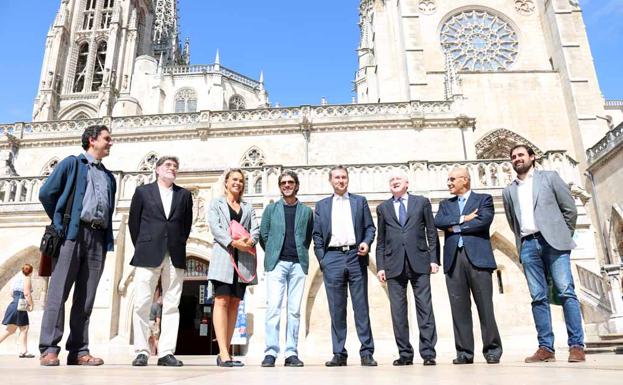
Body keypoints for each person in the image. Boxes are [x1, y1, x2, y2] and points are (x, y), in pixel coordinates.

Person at [38, 125, 116, 366]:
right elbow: (46, 193)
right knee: (58, 293)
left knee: (86, 297)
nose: (110, 143)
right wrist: (61, 222)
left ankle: (79, 350)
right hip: (72, 235)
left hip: (97, 238)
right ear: (92, 140)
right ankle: (49, 348)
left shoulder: (109, 176)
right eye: (107, 139)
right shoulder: (72, 164)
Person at [502, 144, 585, 363]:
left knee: (566, 291)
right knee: (538, 297)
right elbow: (512, 221)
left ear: (532, 157)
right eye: (513, 157)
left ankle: (576, 346)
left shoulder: (549, 177)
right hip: (528, 244)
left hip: (555, 243)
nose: (517, 159)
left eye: (521, 155)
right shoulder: (509, 190)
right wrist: (522, 244)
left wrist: (563, 235)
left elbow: (570, 209)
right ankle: (545, 347)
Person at [129, 156, 193, 367]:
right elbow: (133, 223)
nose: (172, 169)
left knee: (172, 304)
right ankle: (141, 351)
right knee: (141, 302)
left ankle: (166, 352)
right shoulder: (143, 192)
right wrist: (144, 244)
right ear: (156, 169)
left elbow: (186, 225)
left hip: (175, 253)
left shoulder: (184, 195)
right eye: (168, 165)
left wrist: (177, 243)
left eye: (175, 166)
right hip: (148, 252)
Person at [434, 167, 502, 364]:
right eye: (448, 179)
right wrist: (464, 219)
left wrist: (454, 227)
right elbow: (439, 221)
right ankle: (464, 352)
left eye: (452, 179)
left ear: (465, 180)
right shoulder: (446, 204)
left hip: (479, 259)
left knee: (485, 307)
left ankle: (492, 350)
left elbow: (483, 222)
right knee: (459, 309)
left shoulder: (484, 199)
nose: (449, 183)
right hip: (454, 259)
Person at [312, 165, 377, 367]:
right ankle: (339, 353)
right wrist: (323, 259)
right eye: (337, 178)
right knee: (336, 309)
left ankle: (366, 352)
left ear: (348, 179)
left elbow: (369, 227)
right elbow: (317, 235)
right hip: (332, 258)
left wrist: (366, 242)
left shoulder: (360, 201)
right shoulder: (322, 205)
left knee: (361, 307)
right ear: (330, 181)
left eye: (344, 177)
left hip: (356, 255)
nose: (341, 181)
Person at [375, 172, 439, 366]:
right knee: (398, 312)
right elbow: (381, 240)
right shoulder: (383, 208)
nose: (395, 182)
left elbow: (431, 231)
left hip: (420, 261)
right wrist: (380, 266)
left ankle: (428, 353)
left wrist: (434, 259)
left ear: (407, 184)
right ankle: (405, 354)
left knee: (425, 309)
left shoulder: (421, 202)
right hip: (394, 264)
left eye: (398, 180)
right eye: (391, 180)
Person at [259, 170, 314, 368]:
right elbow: (263, 235)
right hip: (276, 264)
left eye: (291, 182)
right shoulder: (271, 210)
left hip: (298, 264)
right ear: (280, 186)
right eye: (283, 183)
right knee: (273, 308)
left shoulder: (307, 212)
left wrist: (298, 252)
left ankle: (291, 352)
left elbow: (307, 237)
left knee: (294, 310)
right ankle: (271, 352)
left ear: (297, 185)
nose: (287, 185)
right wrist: (273, 251)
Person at [207, 168, 259, 367]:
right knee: (221, 301)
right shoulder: (216, 204)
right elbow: (215, 227)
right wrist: (232, 242)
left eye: (241, 180)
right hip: (223, 256)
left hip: (243, 260)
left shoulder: (248, 206)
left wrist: (250, 242)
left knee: (235, 303)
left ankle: (226, 351)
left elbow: (256, 228)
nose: (238, 183)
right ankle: (223, 352)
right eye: (234, 179)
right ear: (226, 183)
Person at [0, 264, 35, 358]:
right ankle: (24, 351)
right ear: (30, 272)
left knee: (10, 330)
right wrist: (31, 305)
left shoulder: (15, 279)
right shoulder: (27, 279)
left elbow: (11, 293)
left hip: (13, 304)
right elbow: (27, 293)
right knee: (24, 328)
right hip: (20, 305)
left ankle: (22, 351)